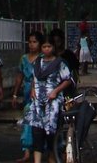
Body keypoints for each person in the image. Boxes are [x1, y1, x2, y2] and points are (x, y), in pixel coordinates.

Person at [27, 35, 73, 163]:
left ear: (53, 47)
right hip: (37, 102)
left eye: (49, 46)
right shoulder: (37, 62)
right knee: (37, 132)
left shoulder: (60, 63)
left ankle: (52, 156)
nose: (46, 49)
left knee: (51, 132)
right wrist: (32, 90)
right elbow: (33, 78)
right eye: (44, 46)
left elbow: (68, 80)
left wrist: (56, 91)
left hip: (53, 102)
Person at [11, 30, 42, 163]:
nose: (31, 44)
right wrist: (15, 94)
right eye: (30, 42)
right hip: (27, 91)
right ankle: (27, 151)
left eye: (34, 42)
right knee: (27, 120)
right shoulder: (24, 59)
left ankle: (38, 150)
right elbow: (19, 77)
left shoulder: (42, 58)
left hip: (40, 92)